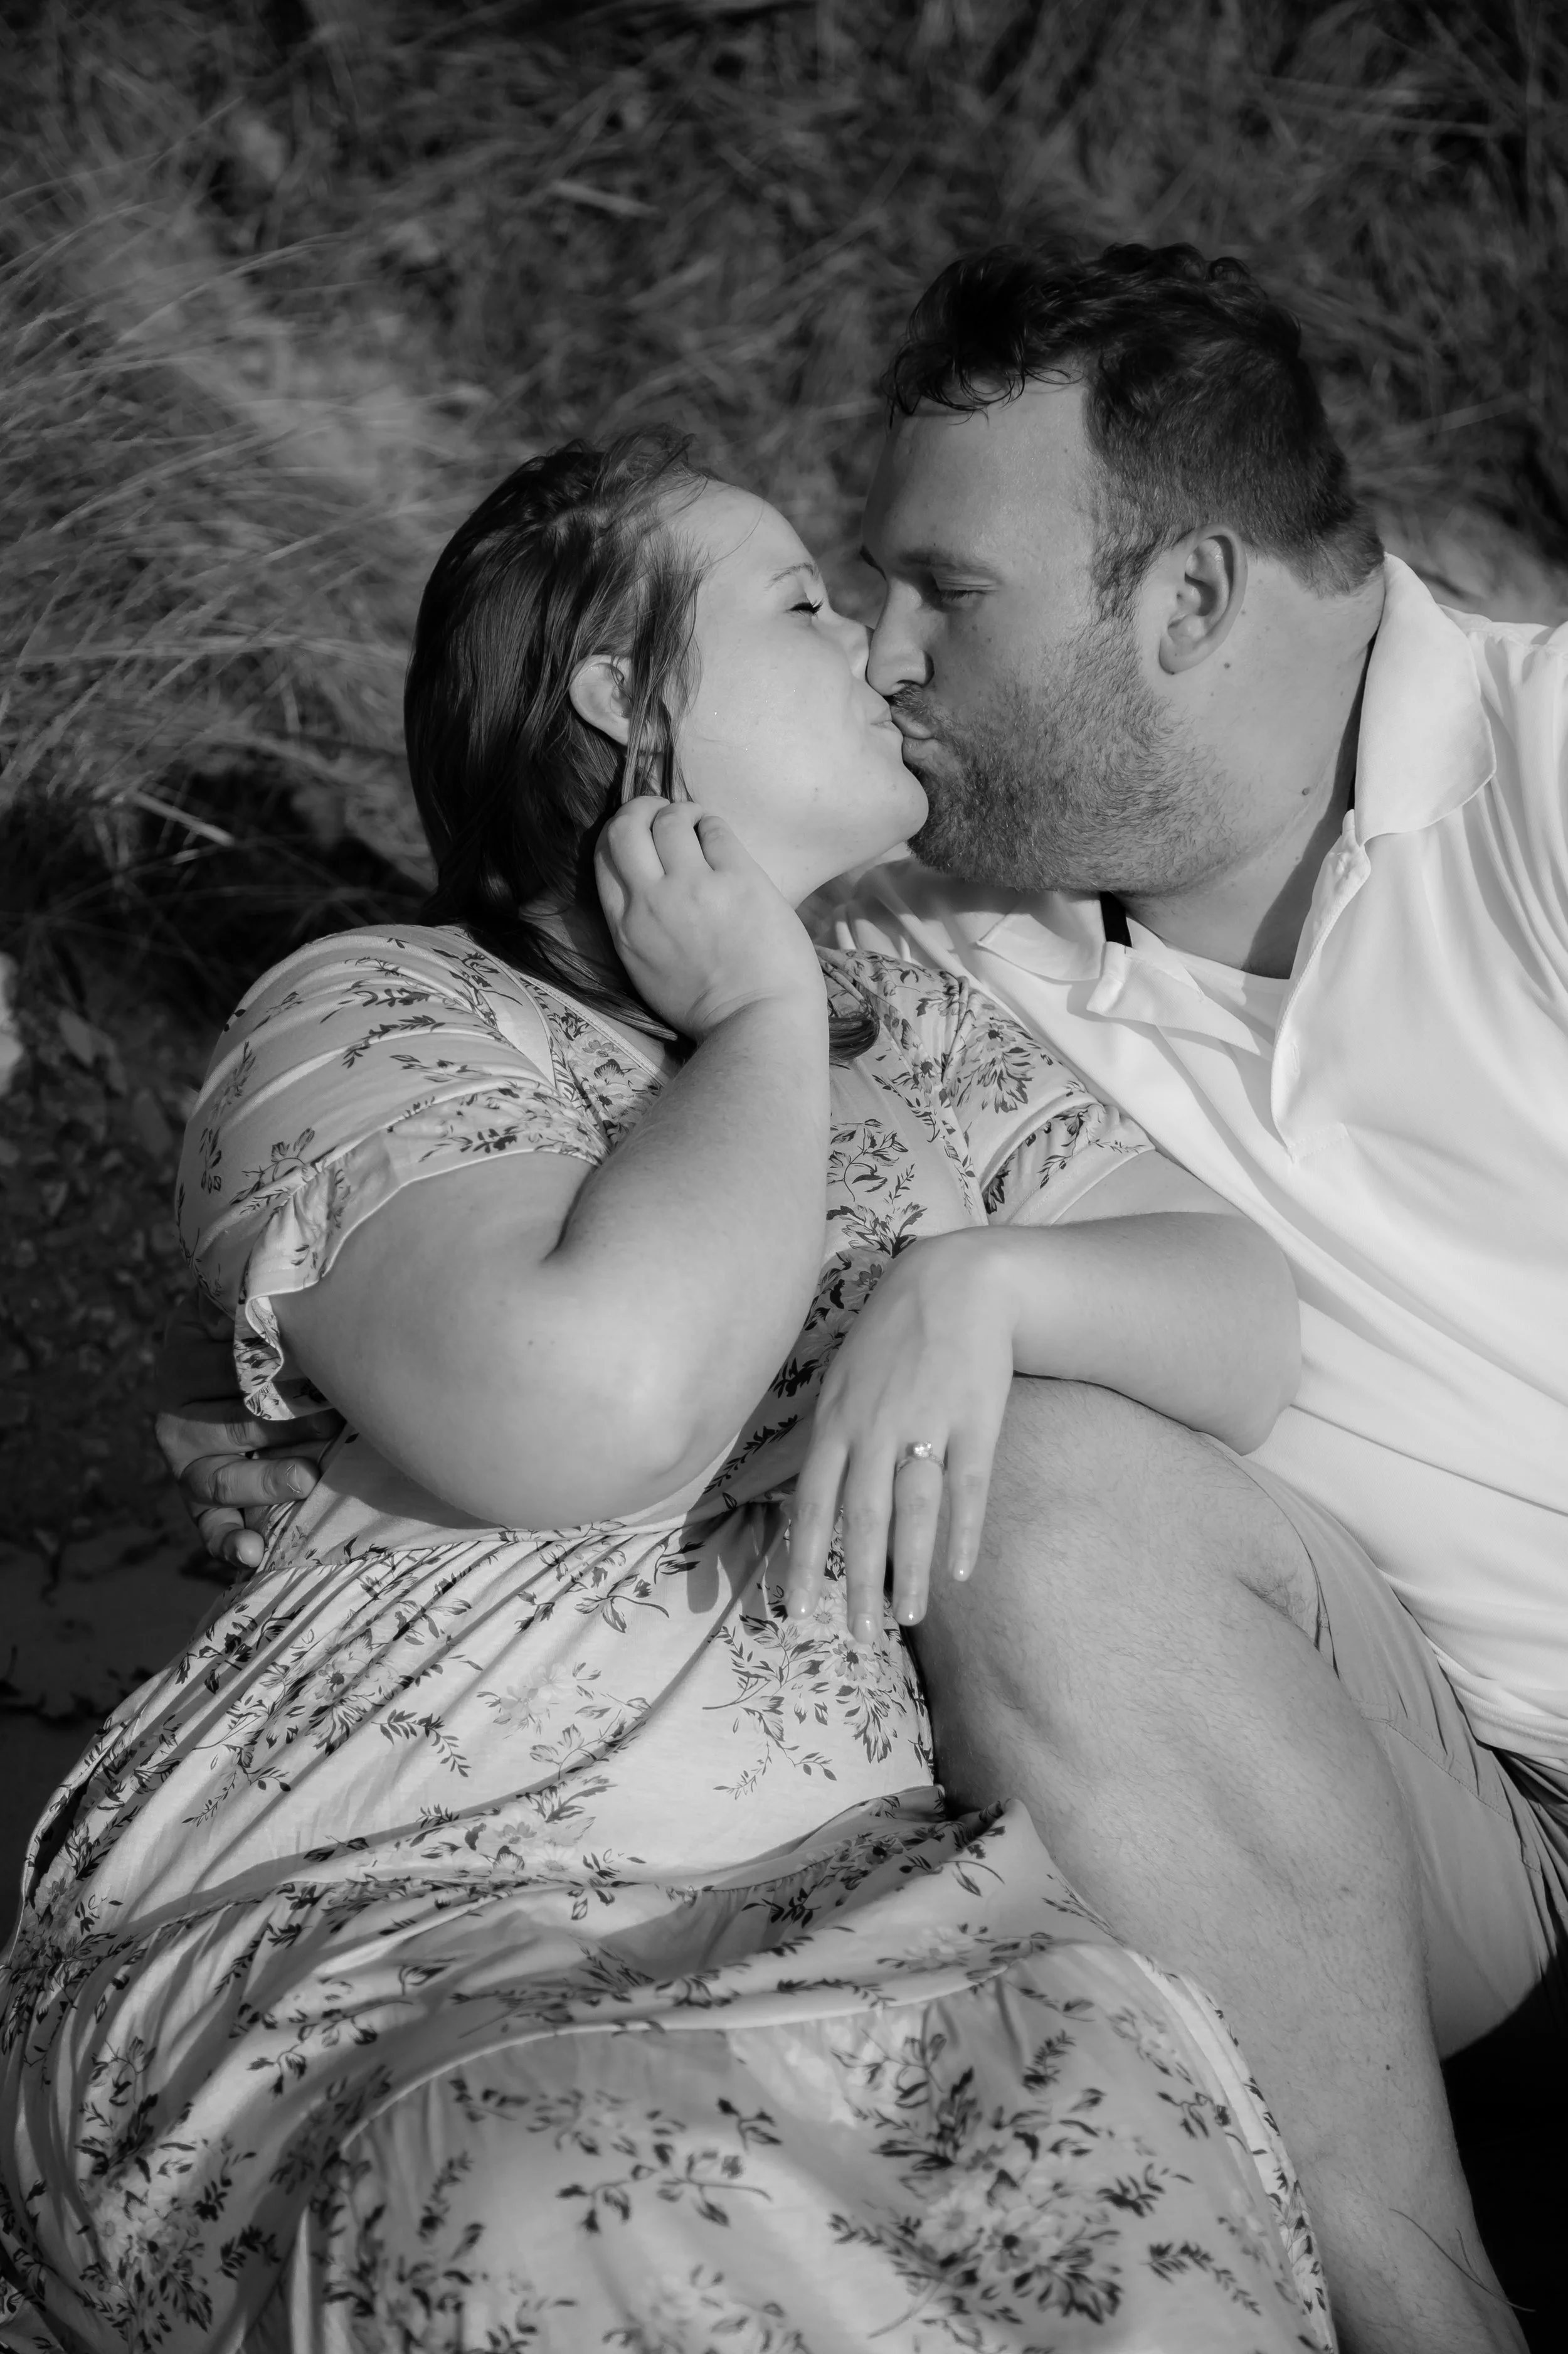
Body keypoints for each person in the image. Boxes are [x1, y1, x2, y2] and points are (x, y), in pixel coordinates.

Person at [164, 244, 1559, 2354]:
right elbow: (597, 1285)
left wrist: (964, 1280)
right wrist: (388, 1447)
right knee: (1053, 1498)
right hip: (1394, 1805)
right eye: (843, 598)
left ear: (1187, 597)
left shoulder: (1539, 773)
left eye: (943, 593)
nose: (892, 656)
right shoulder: (931, 966)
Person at [0, 436, 1328, 2354]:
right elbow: (590, 1406)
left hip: (862, 1887)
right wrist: (759, 1026)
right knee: (563, 2191)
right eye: (798, 603)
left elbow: (1242, 1326)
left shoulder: (922, 1025)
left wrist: (981, 1280)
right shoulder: (379, 1008)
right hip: (421, 1872)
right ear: (622, 694)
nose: (872, 645)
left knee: (1118, 2204)